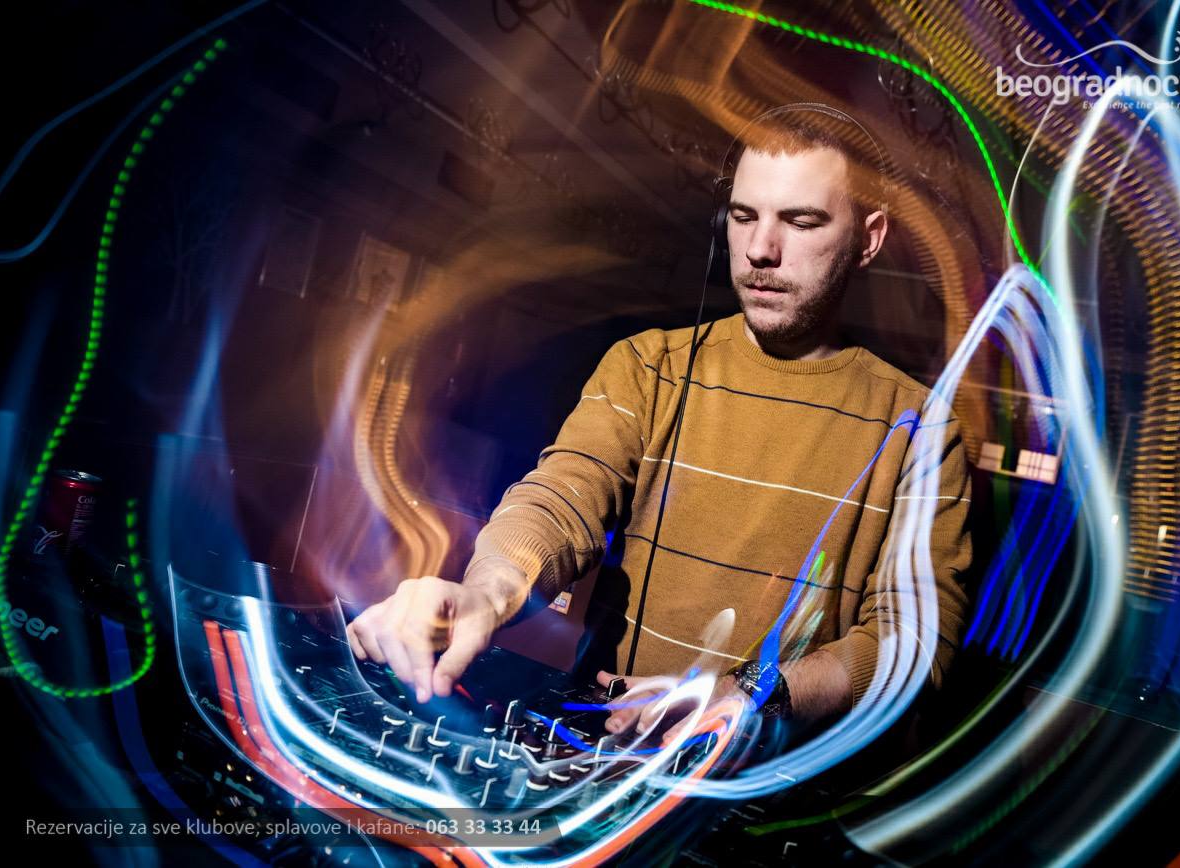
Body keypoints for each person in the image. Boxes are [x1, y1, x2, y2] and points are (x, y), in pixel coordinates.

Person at [347, 106, 972, 742]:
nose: (760, 249)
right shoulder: (648, 367)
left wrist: (747, 694)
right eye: (743, 216)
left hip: (777, 785)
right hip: (612, 749)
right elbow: (560, 501)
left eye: (801, 221)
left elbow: (914, 642)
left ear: (869, 238)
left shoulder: (921, 429)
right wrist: (487, 594)